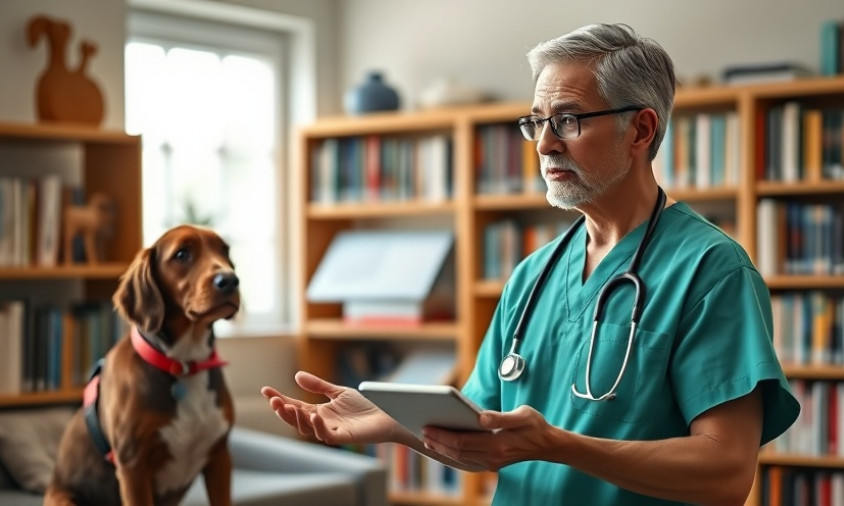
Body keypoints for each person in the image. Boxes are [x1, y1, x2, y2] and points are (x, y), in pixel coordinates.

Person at [262, 23, 800, 506]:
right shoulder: (532, 275)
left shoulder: (710, 270)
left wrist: (558, 445)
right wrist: (394, 424)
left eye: (567, 120)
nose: (543, 144)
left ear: (640, 130)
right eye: (537, 122)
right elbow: (485, 443)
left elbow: (726, 472)